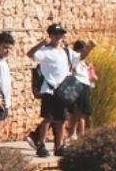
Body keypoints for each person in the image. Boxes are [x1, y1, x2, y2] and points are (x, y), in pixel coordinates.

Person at [28, 24, 79, 158]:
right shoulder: (45, 51)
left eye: (61, 34)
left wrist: (90, 48)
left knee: (61, 120)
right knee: (48, 118)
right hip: (49, 89)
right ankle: (41, 144)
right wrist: (41, 43)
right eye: (55, 34)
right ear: (50, 35)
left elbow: (80, 57)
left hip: (62, 90)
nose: (58, 37)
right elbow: (30, 54)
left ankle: (59, 145)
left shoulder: (65, 51)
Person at [68, 40, 97, 140]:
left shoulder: (84, 62)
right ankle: (77, 134)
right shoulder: (76, 58)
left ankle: (79, 134)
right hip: (78, 84)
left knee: (81, 112)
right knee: (79, 112)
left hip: (84, 85)